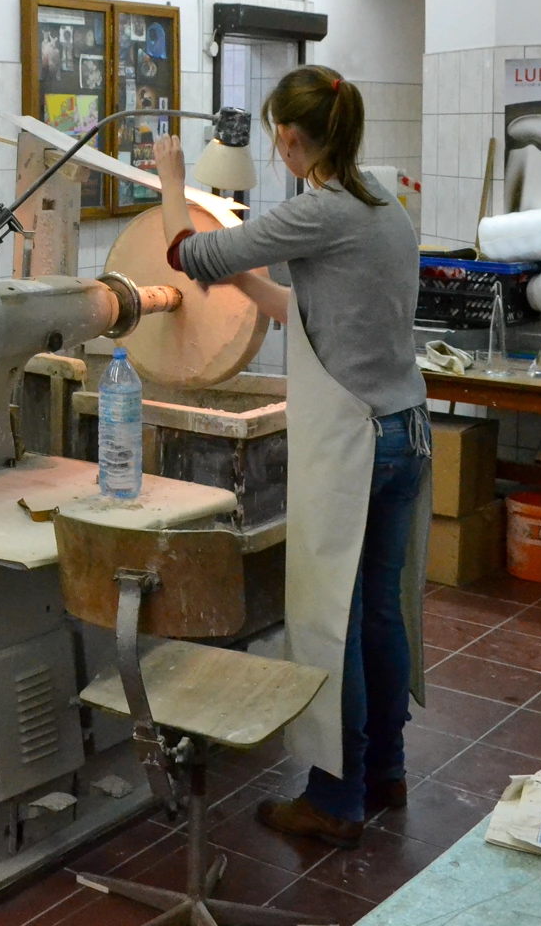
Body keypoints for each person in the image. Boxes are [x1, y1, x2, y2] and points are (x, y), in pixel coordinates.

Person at [154, 65, 432, 850]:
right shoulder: (384, 208)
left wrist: (172, 178)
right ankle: (385, 772)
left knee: (329, 620)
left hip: (356, 443)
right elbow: (306, 308)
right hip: (405, 431)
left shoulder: (319, 211)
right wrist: (246, 279)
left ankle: (335, 800)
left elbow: (185, 253)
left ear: (287, 137)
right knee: (378, 609)